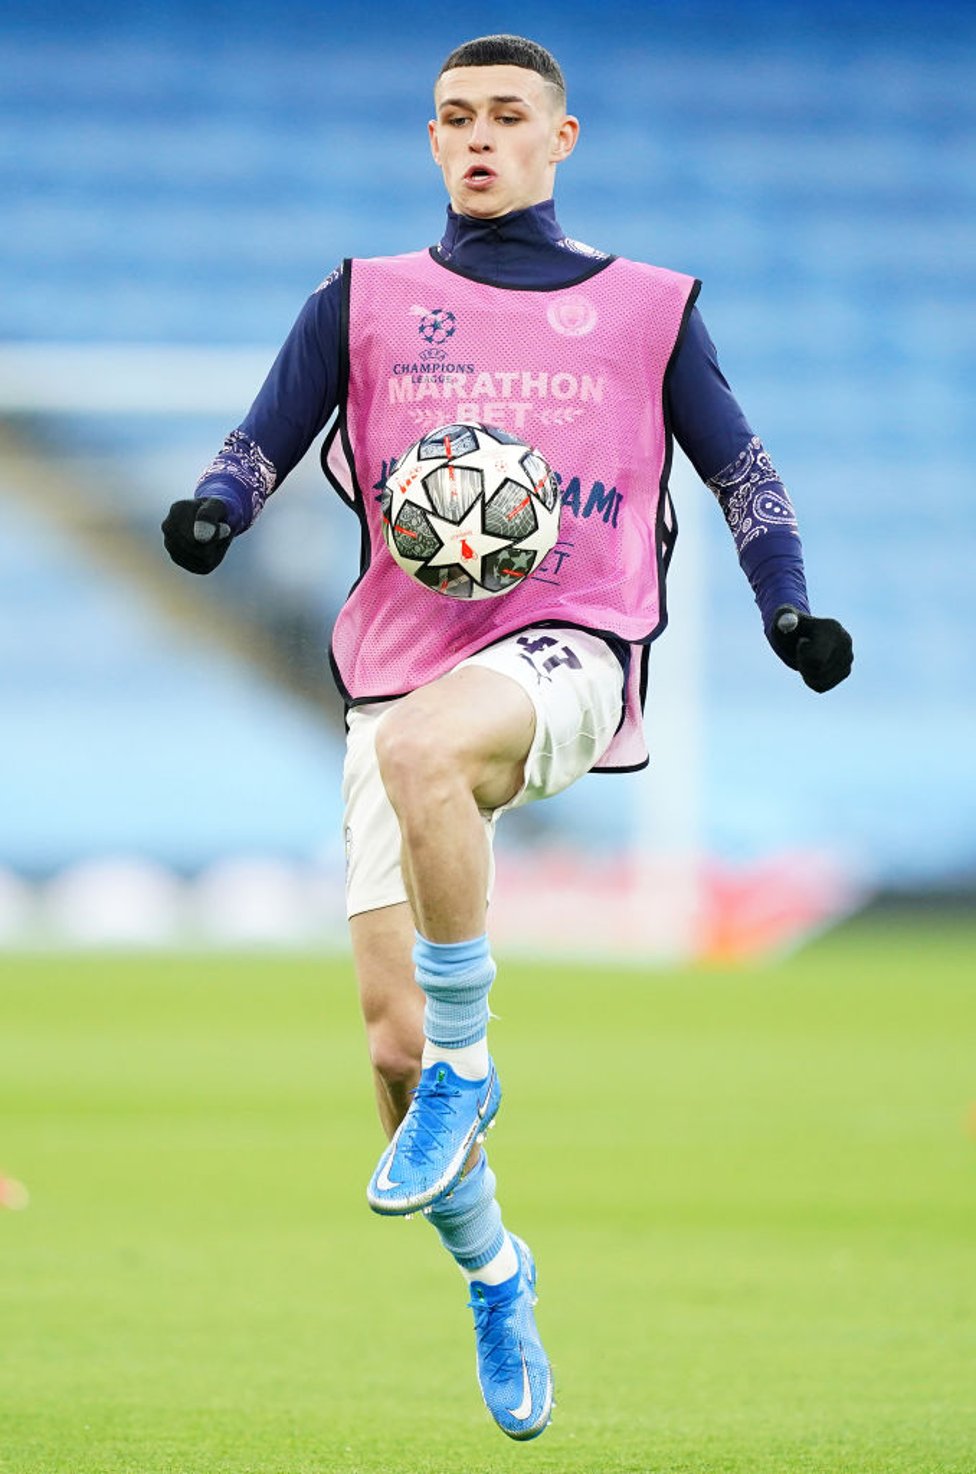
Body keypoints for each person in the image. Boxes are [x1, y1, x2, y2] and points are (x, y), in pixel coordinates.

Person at [162, 33, 853, 1441]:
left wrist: (791, 611)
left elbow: (744, 468)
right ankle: (496, 1269)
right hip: (400, 668)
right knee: (389, 1047)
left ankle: (478, 1059)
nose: (478, 138)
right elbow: (260, 442)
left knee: (429, 767)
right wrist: (214, 512)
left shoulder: (647, 307)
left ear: (562, 139)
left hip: (572, 648)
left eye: (506, 118)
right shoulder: (362, 299)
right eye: (454, 118)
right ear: (431, 141)